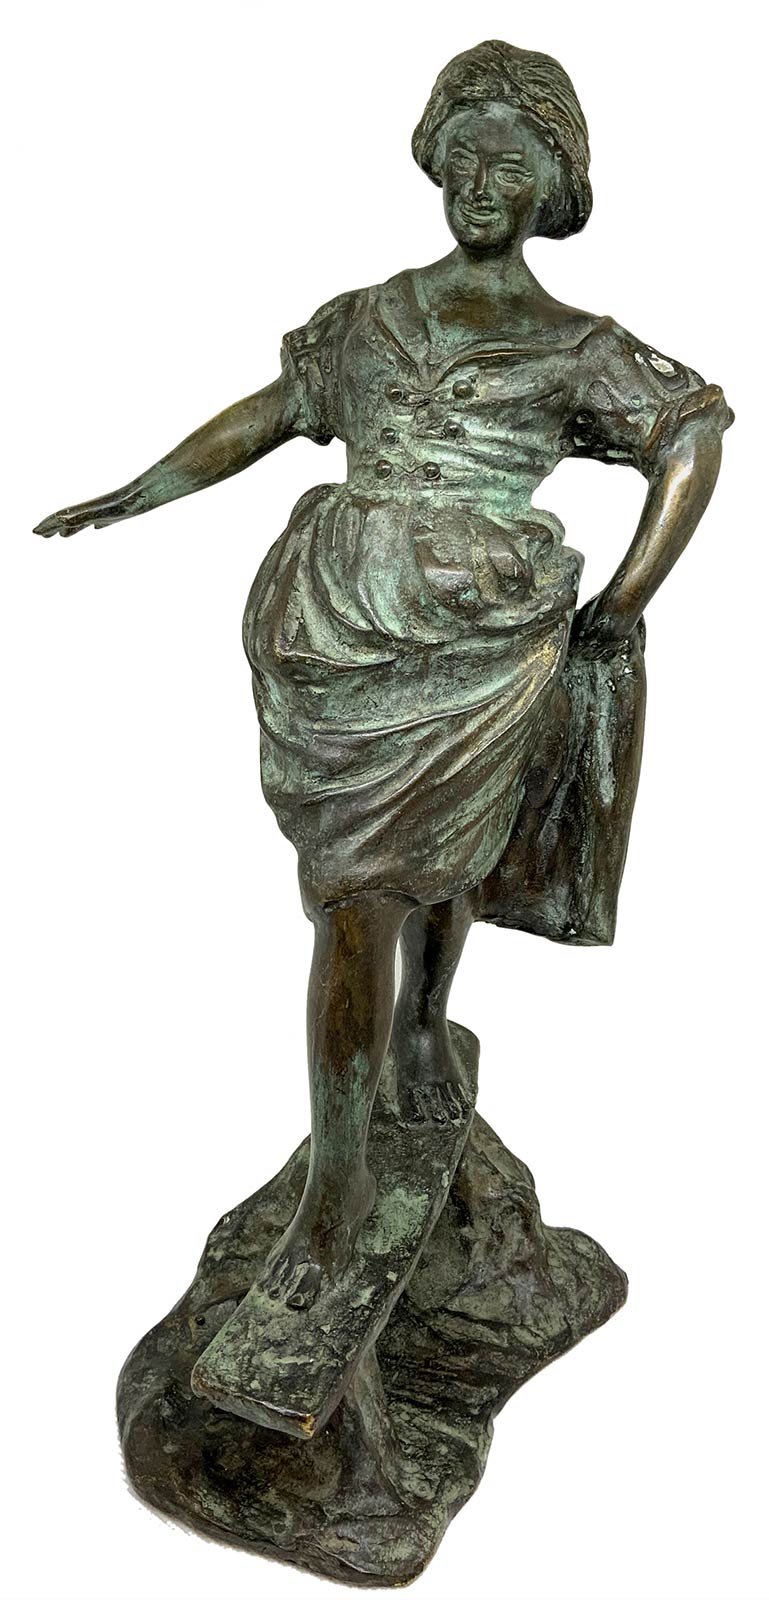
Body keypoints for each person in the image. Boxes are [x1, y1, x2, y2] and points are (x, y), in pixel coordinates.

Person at [34, 40, 732, 1310]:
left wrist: (625, 601)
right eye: (460, 157)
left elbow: (690, 435)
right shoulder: (367, 316)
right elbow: (272, 411)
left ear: (554, 187)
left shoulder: (576, 344)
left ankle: (381, 1104)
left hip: (482, 637)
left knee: (437, 863)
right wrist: (138, 490)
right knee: (352, 897)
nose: (479, 184)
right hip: (340, 624)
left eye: (507, 165)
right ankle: (347, 1156)